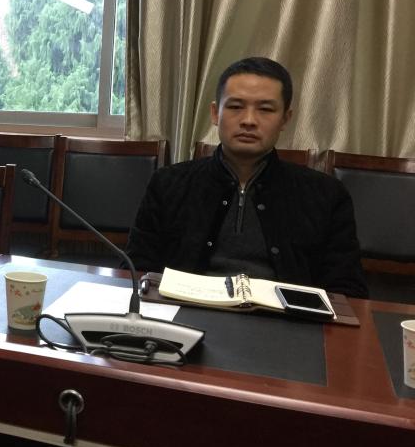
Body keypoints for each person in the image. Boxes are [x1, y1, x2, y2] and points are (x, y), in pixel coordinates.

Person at [126, 57, 368, 298]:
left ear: (285, 119)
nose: (249, 121)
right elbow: (135, 270)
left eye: (265, 109)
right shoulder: (168, 183)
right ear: (215, 113)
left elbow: (348, 290)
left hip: (286, 319)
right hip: (186, 312)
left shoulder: (326, 194)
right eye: (235, 107)